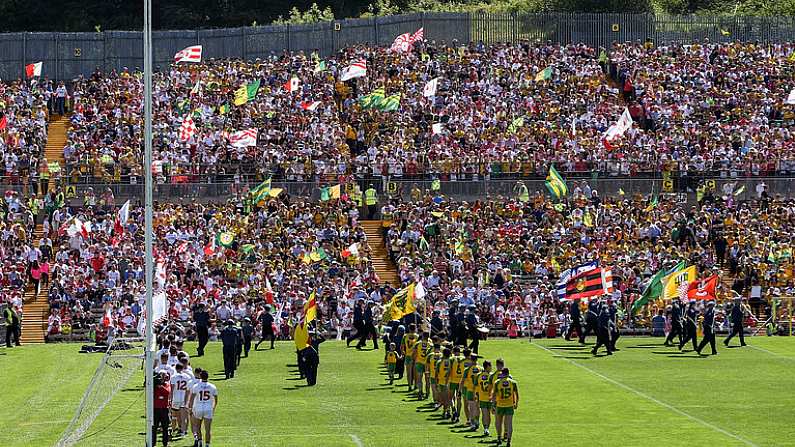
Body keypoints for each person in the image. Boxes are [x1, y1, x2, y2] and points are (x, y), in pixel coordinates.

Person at [189, 370, 218, 447]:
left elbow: (191, 399)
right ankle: (207, 444)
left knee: (197, 426)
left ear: (200, 377)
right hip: (208, 408)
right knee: (208, 429)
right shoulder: (212, 386)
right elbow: (216, 399)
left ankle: (200, 442)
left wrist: (190, 408)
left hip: (198, 407)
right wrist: (213, 408)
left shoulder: (196, 386)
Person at [492, 368, 519, 447]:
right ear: (508, 373)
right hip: (509, 406)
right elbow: (517, 395)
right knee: (509, 424)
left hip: (499, 405)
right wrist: (516, 403)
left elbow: (493, 395)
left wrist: (493, 405)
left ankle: (499, 438)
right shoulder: (513, 382)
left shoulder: (497, 382)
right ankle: (508, 441)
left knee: (498, 422)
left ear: (502, 373)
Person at [169, 363, 192, 438]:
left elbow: (171, 389)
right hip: (184, 398)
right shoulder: (187, 377)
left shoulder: (173, 377)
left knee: (175, 415)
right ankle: (183, 431)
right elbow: (189, 389)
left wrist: (170, 399)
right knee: (183, 416)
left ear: (176, 368)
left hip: (176, 398)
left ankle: (174, 429)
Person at [475, 360, 494, 438]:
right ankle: (486, 428)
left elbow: (476, 387)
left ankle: (486, 428)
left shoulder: (479, 375)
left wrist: (476, 396)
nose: (491, 368)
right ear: (488, 367)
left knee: (485, 414)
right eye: (490, 366)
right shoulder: (492, 376)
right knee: (488, 414)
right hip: (490, 398)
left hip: (482, 397)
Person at [153, 371, 172, 447]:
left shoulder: (167, 385)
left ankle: (165, 443)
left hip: (164, 409)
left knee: (165, 428)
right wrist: (154, 383)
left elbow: (167, 392)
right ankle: (152, 443)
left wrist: (160, 386)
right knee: (154, 428)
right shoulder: (154, 385)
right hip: (155, 409)